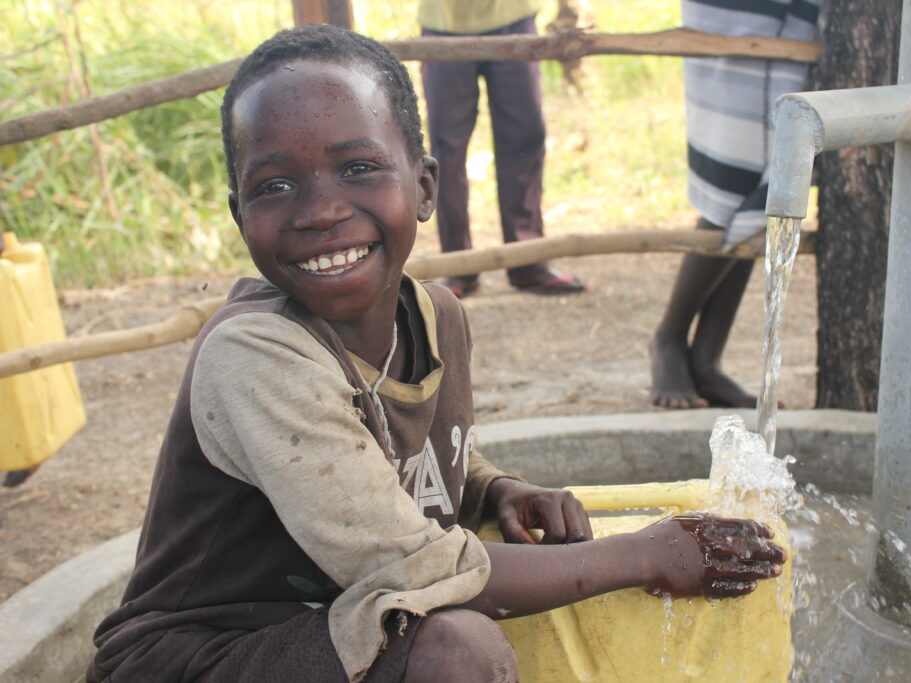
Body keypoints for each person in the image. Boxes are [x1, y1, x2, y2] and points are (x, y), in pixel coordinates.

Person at [87, 25, 786, 682]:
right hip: (204, 654)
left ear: (425, 186)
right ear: (239, 213)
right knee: (457, 650)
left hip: (329, 630)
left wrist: (491, 486)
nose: (319, 210)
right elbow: (417, 563)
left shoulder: (436, 317)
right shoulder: (254, 356)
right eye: (274, 186)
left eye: (358, 168)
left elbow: (387, 451)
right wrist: (644, 555)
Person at [650, 0, 820, 409]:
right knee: (732, 182)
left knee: (766, 191)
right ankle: (669, 338)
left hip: (797, 21)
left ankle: (707, 358)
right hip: (736, 15)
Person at [418, 0, 588, 298]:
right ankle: (458, 264)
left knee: (524, 136)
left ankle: (527, 261)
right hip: (444, 22)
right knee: (447, 150)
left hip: (513, 15)